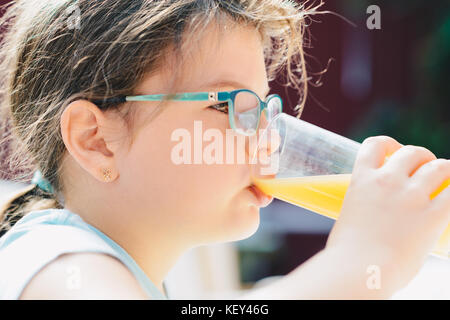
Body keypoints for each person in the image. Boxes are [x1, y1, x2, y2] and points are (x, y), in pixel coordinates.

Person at [0, 0, 448, 300]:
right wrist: (363, 260)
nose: (268, 140)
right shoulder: (59, 261)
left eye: (265, 110)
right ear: (95, 141)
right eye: (230, 105)